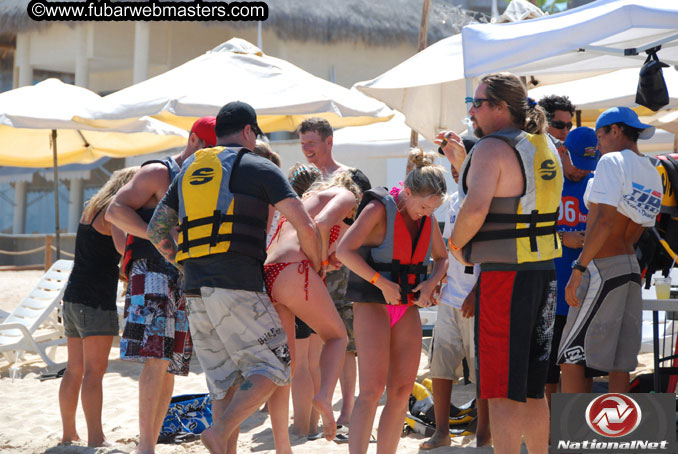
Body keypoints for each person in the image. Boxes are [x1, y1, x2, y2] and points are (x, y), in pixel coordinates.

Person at [147, 101, 322, 454]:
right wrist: (316, 265)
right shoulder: (259, 167)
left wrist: (185, 263)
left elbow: (157, 230)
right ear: (247, 131)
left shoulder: (189, 169)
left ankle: (222, 441)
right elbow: (303, 223)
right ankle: (220, 430)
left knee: (224, 383)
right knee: (275, 365)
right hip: (239, 283)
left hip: (195, 288)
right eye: (255, 134)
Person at [438, 72, 563, 454]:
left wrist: (455, 247)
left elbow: (474, 210)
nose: (471, 111)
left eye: (477, 103)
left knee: (500, 388)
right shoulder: (547, 145)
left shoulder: (492, 148)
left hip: (506, 278)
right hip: (543, 273)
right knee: (531, 385)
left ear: (501, 108)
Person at [105, 116, 216, 454]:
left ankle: (149, 443)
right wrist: (157, 238)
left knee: (171, 364)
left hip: (183, 275)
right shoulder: (158, 172)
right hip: (152, 270)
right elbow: (114, 211)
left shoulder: (204, 179)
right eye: (210, 149)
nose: (214, 157)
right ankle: (145, 447)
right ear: (194, 141)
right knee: (156, 359)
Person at [337, 149, 448, 454]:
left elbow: (441, 259)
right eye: (423, 207)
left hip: (406, 307)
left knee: (400, 392)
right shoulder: (377, 209)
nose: (426, 214)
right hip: (373, 304)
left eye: (433, 209)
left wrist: (430, 283)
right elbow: (343, 251)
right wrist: (381, 282)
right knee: (371, 391)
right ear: (408, 193)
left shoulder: (427, 215)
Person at [559, 107, 662, 394]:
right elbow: (641, 228)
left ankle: (572, 435)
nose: (598, 143)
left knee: (571, 355)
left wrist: (579, 267)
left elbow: (603, 222)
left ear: (615, 131)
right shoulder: (652, 169)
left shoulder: (611, 161)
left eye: (600, 135)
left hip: (602, 267)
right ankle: (619, 435)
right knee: (621, 361)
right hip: (630, 267)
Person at [265, 165, 362, 451]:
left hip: (271, 272)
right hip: (295, 270)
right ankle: (323, 396)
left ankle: (282, 445)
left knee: (287, 368)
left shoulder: (311, 196)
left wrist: (325, 258)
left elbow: (313, 229)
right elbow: (320, 224)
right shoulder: (346, 195)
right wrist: (319, 263)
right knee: (337, 337)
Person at [299, 117, 372, 427]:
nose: (307, 150)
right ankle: (315, 413)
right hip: (311, 269)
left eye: (311, 144)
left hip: (342, 270)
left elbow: (368, 223)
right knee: (312, 342)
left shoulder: (352, 178)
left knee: (346, 343)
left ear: (329, 142)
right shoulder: (304, 180)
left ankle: (346, 409)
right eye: (303, 145)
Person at [59, 167, 137, 447]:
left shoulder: (91, 207)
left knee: (74, 370)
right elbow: (122, 250)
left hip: (73, 296)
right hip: (95, 300)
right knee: (94, 372)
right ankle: (96, 438)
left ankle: (68, 434)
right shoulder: (114, 210)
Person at [420, 140, 491, 450]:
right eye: (450, 165)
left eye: (457, 163)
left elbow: (494, 255)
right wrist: (438, 281)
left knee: (483, 374)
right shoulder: (450, 202)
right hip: (450, 298)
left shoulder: (487, 200)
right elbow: (446, 253)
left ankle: (484, 435)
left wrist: (478, 291)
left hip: (478, 299)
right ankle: (442, 432)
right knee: (440, 368)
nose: (453, 170)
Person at [546, 126, 600, 401]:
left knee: (583, 366)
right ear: (563, 151)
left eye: (587, 165)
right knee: (548, 368)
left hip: (586, 289)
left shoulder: (596, 181)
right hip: (553, 288)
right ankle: (548, 432)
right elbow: (531, 232)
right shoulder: (548, 180)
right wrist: (562, 237)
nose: (581, 171)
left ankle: (578, 429)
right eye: (578, 164)